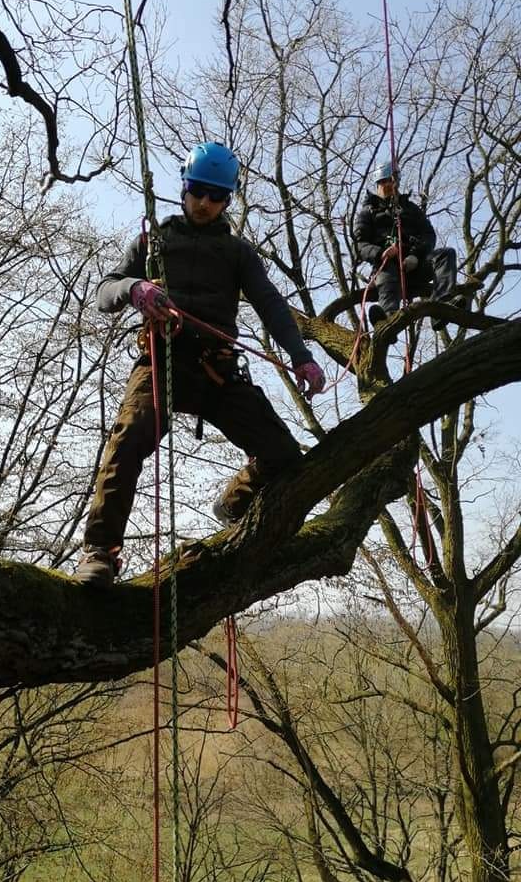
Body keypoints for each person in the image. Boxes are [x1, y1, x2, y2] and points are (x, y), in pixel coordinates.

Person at [73, 141, 325, 587]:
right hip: (161, 360)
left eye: (217, 196)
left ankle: (234, 503)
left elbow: (270, 304)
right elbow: (104, 293)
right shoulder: (154, 241)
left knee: (284, 455)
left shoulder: (237, 253)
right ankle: (100, 550)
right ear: (184, 188)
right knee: (129, 437)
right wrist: (134, 288)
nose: (205, 203)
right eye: (198, 191)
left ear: (228, 199)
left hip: (216, 369)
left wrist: (301, 357)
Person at [353, 161, 466, 333]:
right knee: (387, 276)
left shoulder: (410, 209)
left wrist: (415, 255)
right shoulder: (368, 212)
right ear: (378, 184)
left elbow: (428, 235)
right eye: (384, 182)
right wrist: (380, 253)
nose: (389, 186)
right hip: (386, 267)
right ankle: (387, 322)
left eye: (392, 182)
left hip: (414, 266)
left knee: (445, 255)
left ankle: (441, 308)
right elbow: (360, 245)